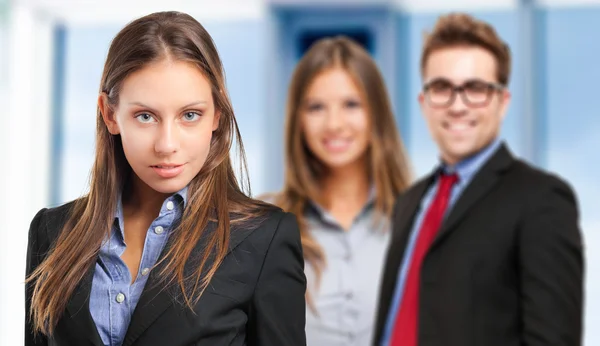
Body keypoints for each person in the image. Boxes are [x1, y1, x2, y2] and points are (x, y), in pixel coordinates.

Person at [25, 11, 306, 346]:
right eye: (145, 116)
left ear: (217, 114)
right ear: (109, 114)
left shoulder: (264, 239)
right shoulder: (51, 232)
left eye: (190, 115)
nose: (167, 145)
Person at [373, 13, 584, 346]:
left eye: (475, 89)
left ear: (503, 102)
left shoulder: (542, 200)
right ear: (424, 103)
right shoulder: (409, 203)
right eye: (442, 88)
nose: (458, 106)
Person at [263, 36, 412, 346]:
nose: (334, 124)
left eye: (351, 104)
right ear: (298, 121)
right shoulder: (264, 226)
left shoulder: (419, 221)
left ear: (376, 114)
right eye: (316, 107)